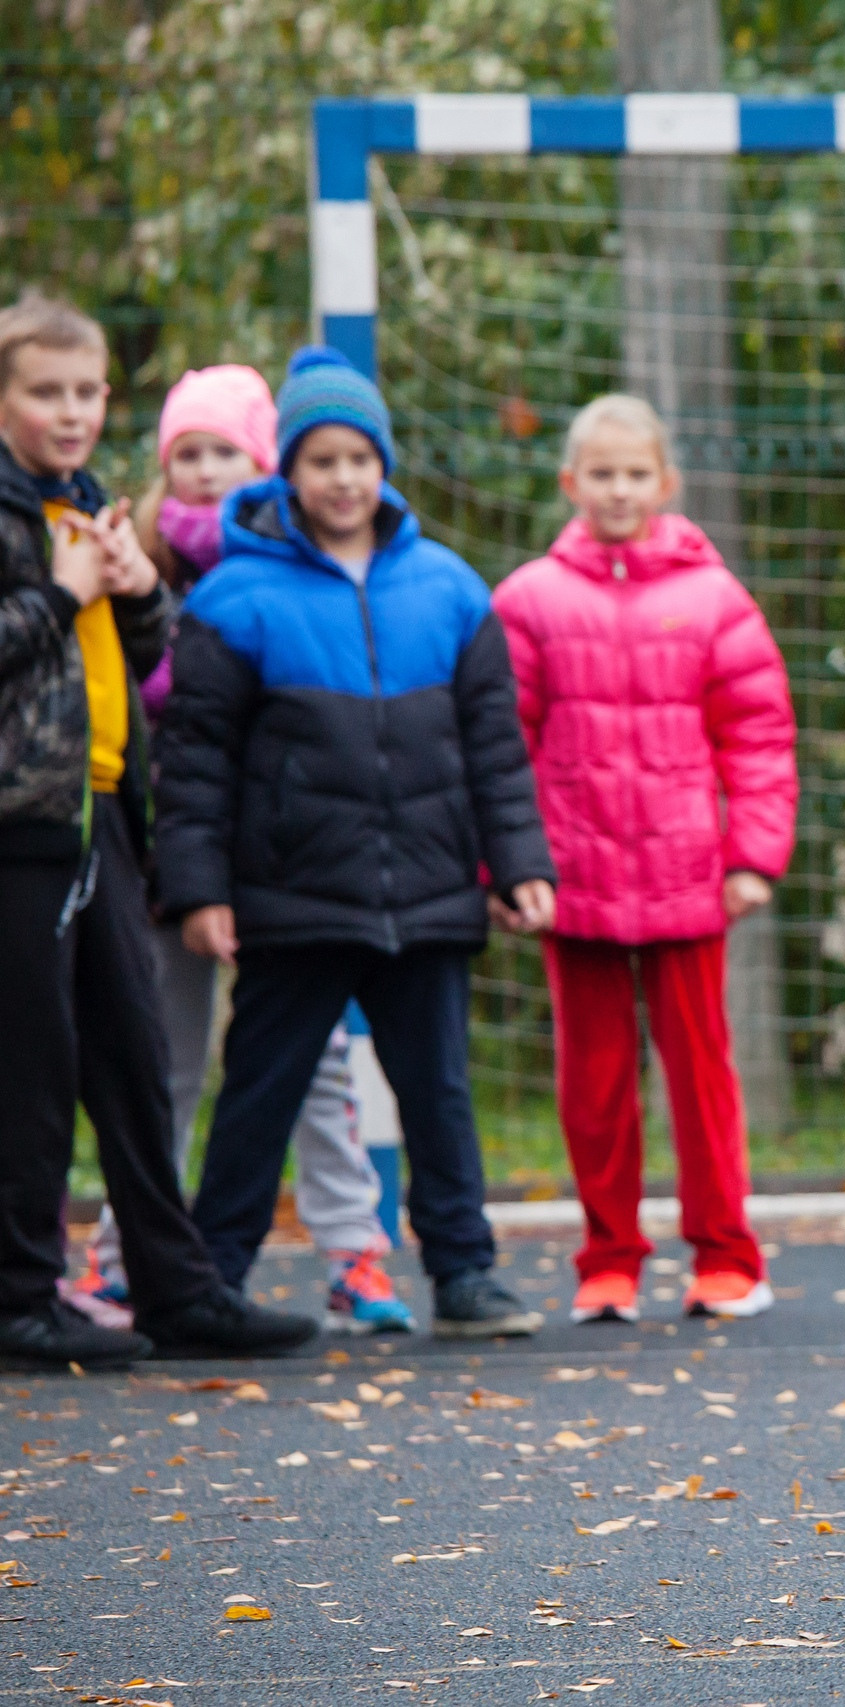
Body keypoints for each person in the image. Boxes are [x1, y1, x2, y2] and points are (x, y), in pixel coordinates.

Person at [156, 345, 557, 1339]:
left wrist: (518, 864)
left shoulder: (452, 591)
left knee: (439, 1094)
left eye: (359, 459)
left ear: (385, 466)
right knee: (258, 1093)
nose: (342, 479)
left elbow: (495, 749)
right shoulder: (234, 601)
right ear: (285, 470)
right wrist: (199, 891)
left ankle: (464, 1271)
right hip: (293, 896)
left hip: (425, 892)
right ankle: (211, 1278)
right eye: (320, 460)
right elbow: (198, 766)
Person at [0, 294, 317, 1366]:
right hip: (19, 828)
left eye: (87, 391)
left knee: (134, 1057)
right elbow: (26, 635)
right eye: (45, 392)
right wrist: (57, 595)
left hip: (99, 811)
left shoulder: (85, 505)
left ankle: (177, 1287)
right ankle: (19, 1294)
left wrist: (131, 595)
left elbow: (140, 661)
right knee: (37, 1068)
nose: (71, 412)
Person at [73, 362, 412, 1335]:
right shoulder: (134, 563)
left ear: (264, 464)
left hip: (280, 868)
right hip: (165, 861)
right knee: (158, 1061)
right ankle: (129, 1254)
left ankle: (357, 1253)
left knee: (316, 1067)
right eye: (189, 453)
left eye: (226, 451)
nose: (207, 470)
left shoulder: (300, 571)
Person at [491, 394, 796, 1324]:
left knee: (702, 1079)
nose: (618, 490)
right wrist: (510, 867)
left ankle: (726, 1256)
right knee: (592, 1083)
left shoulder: (713, 598)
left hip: (686, 882)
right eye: (601, 474)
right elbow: (501, 744)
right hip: (572, 886)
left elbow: (759, 736)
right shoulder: (529, 599)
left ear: (665, 483)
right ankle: (607, 1259)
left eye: (635, 474)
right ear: (570, 482)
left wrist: (752, 856)